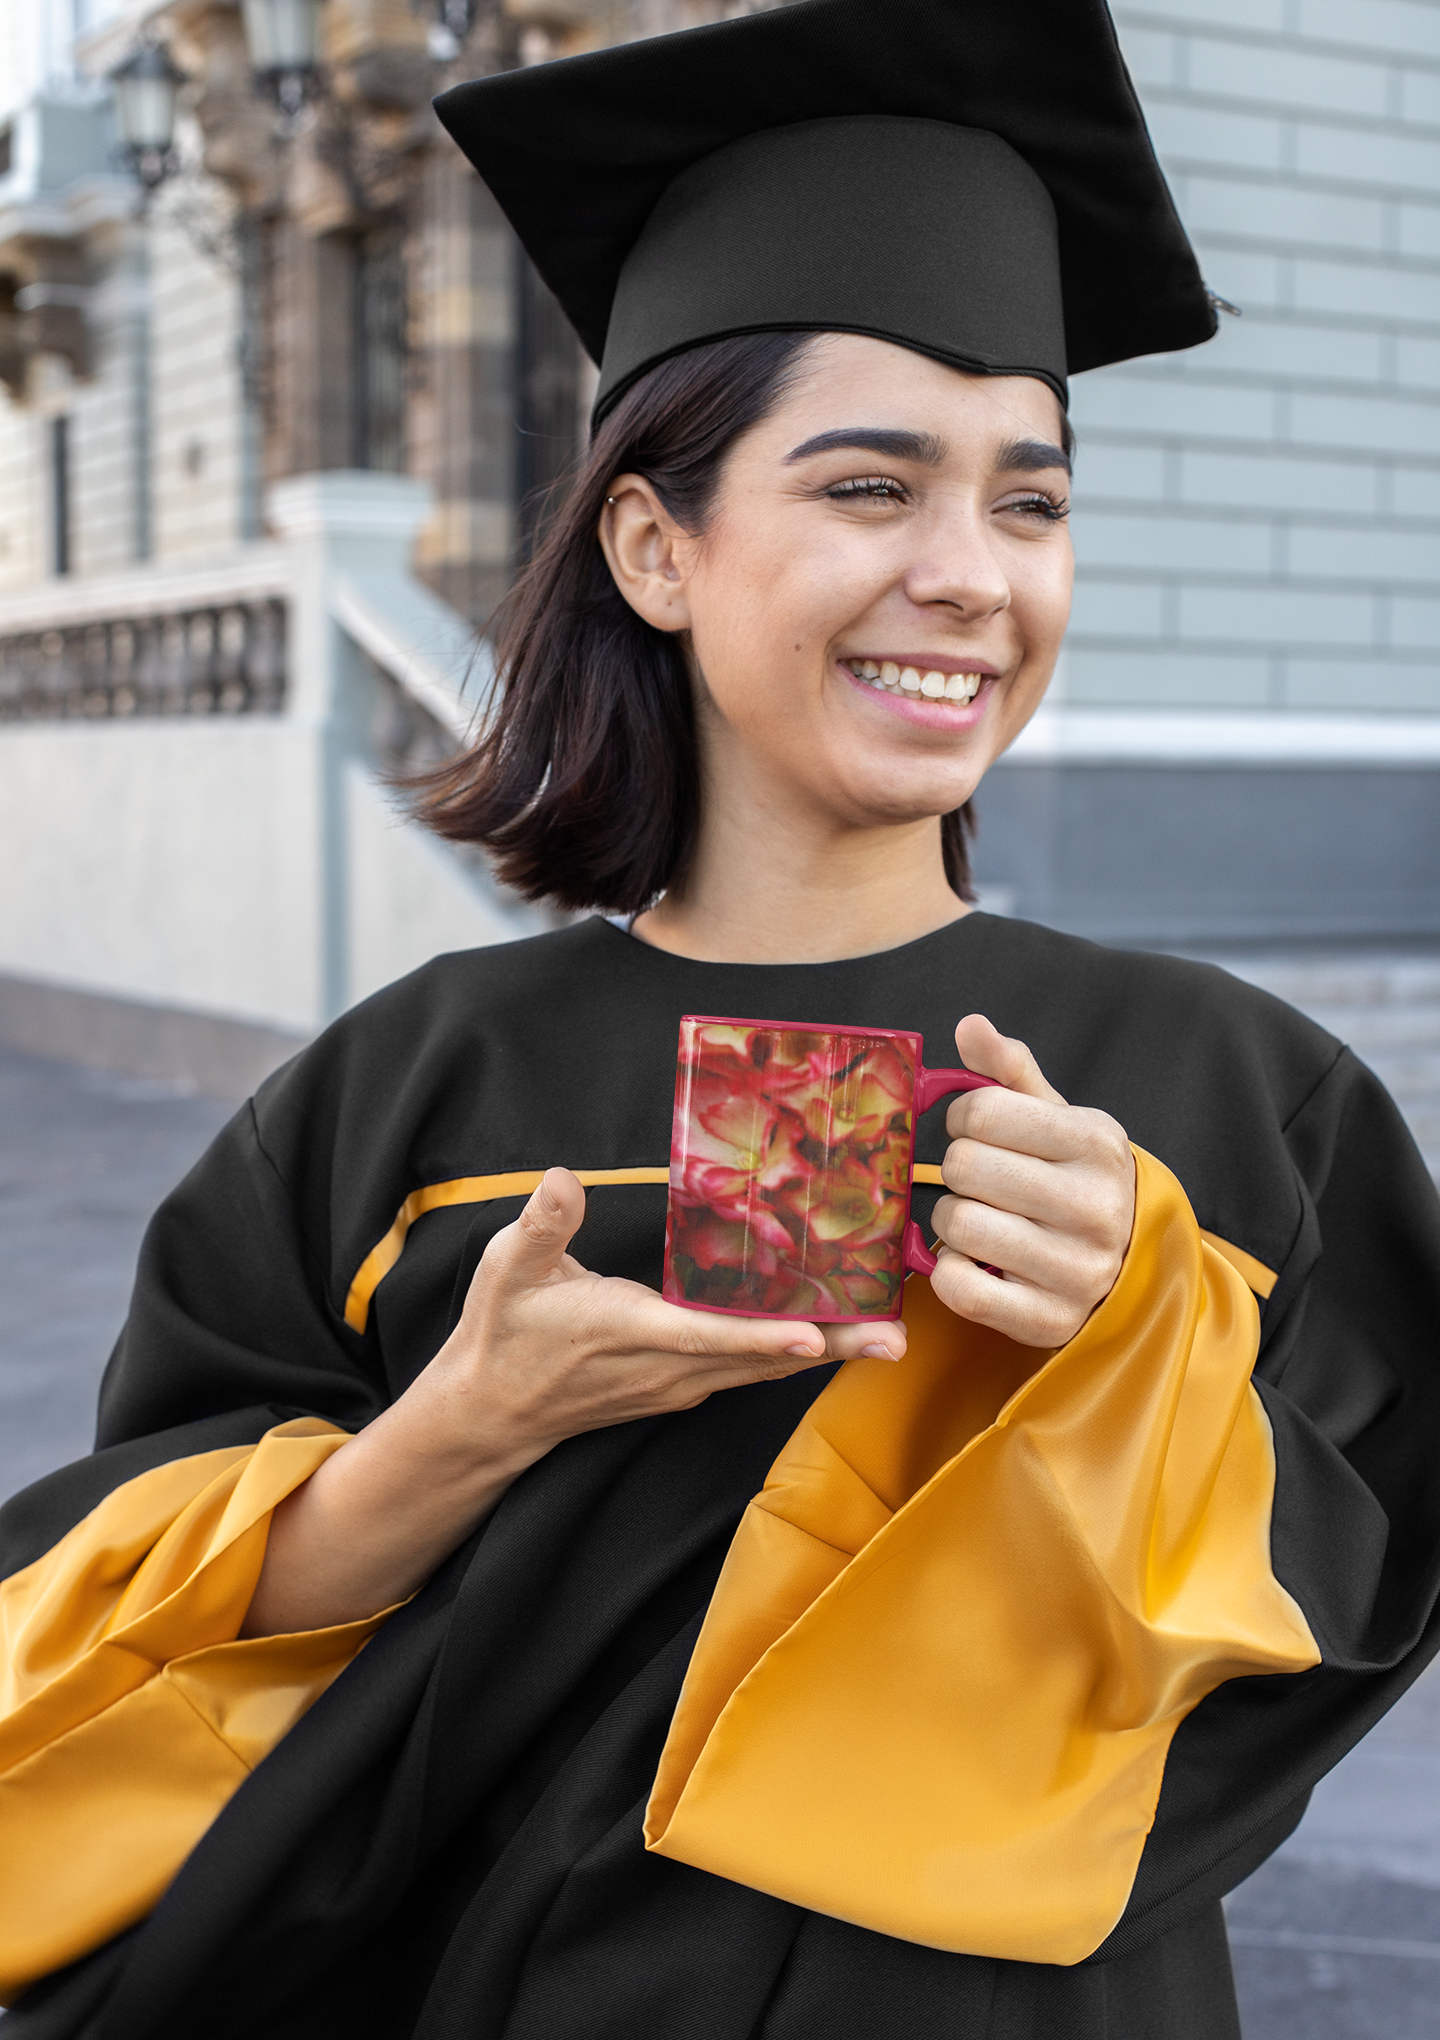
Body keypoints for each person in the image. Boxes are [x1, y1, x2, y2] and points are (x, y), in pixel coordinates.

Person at [3, 1, 1439, 2034]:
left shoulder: (1222, 1094)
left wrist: (1144, 1344)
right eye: (871, 487)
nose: (971, 574)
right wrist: (449, 1438)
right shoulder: (413, 1088)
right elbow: (94, 1663)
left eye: (1029, 501)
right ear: (658, 546)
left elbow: (1337, 1612)